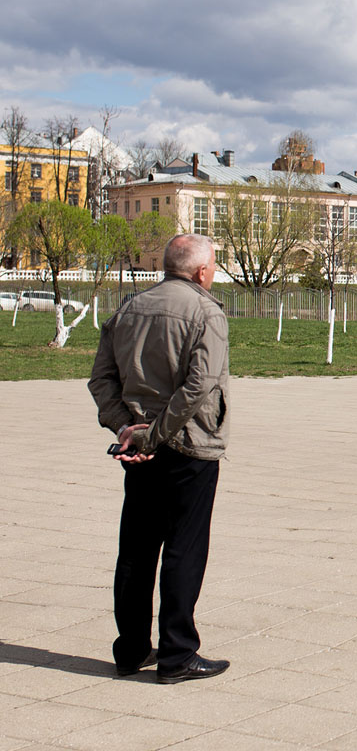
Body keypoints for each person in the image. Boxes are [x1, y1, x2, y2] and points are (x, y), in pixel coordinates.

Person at [88, 233, 232, 684]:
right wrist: (149, 436)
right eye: (212, 268)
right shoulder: (206, 311)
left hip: (142, 449)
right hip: (189, 446)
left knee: (136, 549)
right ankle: (177, 655)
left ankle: (130, 651)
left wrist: (125, 429)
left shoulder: (130, 307)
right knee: (184, 549)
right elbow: (200, 384)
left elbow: (101, 380)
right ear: (202, 271)